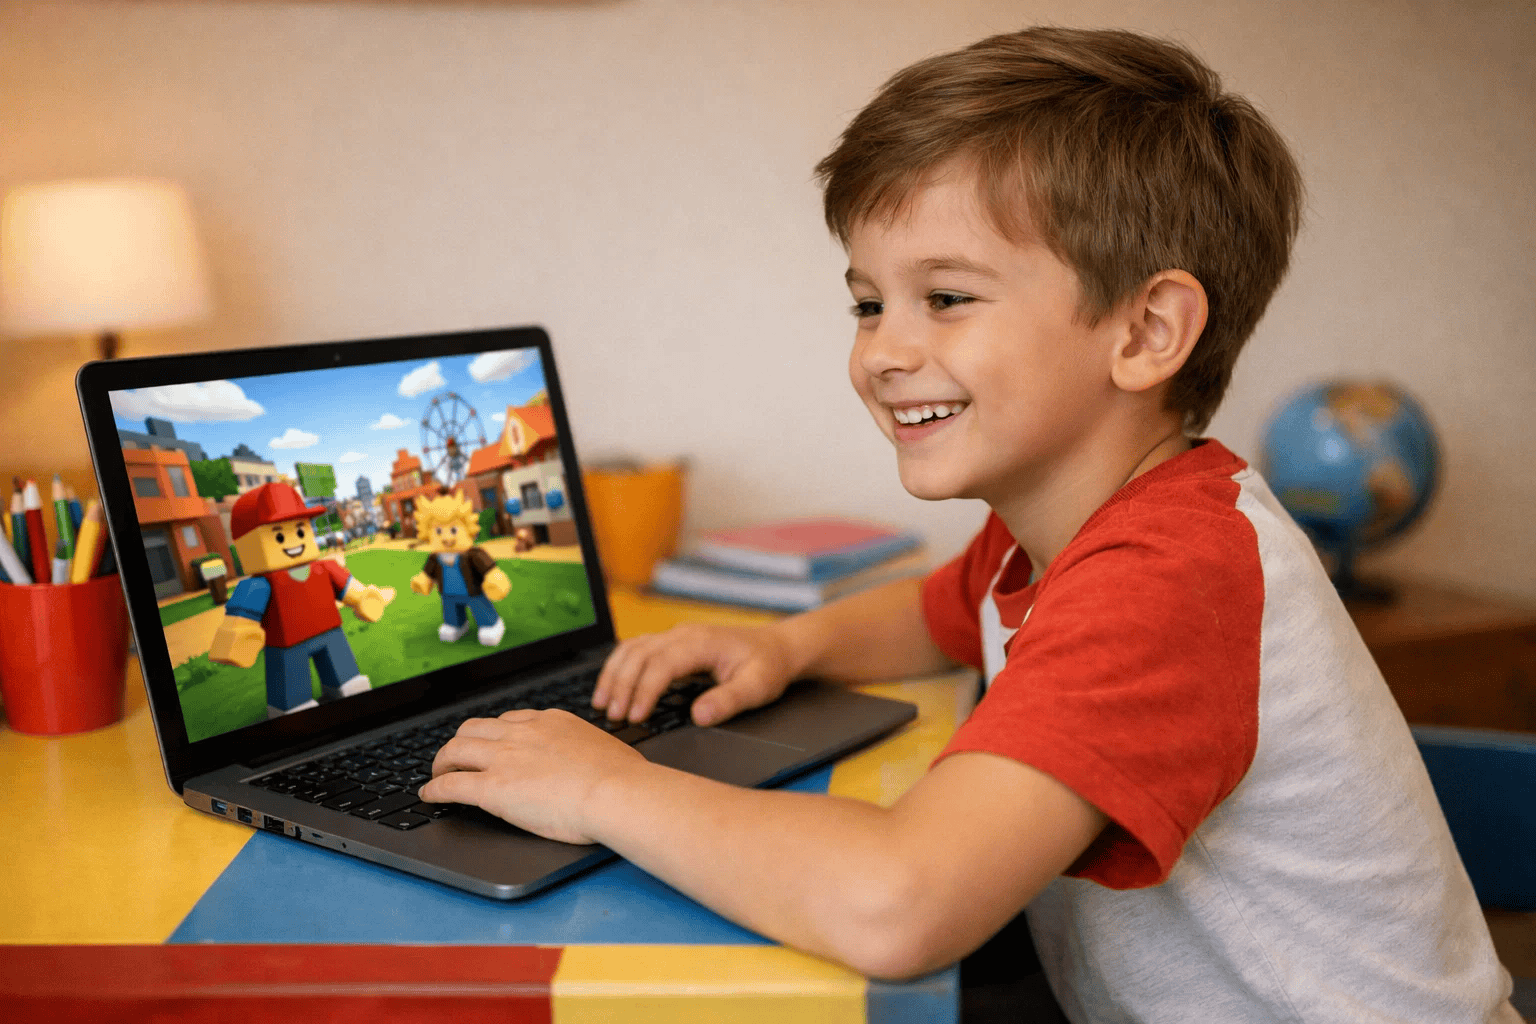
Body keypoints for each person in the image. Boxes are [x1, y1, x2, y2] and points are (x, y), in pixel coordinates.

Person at [420, 27, 1519, 1021]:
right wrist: (787, 643)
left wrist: (608, 787)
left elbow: (902, 906)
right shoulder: (1073, 520)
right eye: (867, 300)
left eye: (945, 297)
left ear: (1146, 330)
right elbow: (938, 613)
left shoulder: (1167, 574)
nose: (882, 351)